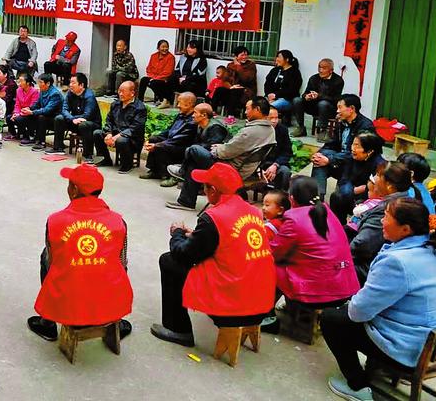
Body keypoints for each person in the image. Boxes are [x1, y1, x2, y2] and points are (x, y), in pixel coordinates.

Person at [321, 197, 436, 401]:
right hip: (424, 342)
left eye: (387, 217)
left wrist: (354, 302)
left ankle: (357, 385)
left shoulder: (397, 262)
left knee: (332, 319)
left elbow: (358, 312)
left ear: (405, 229)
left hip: (405, 346)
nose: (382, 221)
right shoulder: (428, 249)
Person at [150, 163, 275, 347]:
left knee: (169, 261)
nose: (204, 189)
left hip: (235, 306)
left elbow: (184, 255)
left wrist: (177, 233)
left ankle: (178, 329)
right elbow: (226, 241)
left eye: (205, 186)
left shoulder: (214, 217)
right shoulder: (254, 212)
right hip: (262, 304)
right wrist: (194, 235)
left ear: (213, 190)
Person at [28, 163, 133, 342]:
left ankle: (48, 322)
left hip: (70, 302)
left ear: (75, 190)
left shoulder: (55, 221)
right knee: (116, 263)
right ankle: (114, 318)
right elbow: (122, 264)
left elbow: (53, 263)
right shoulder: (118, 222)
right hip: (108, 302)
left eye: (69, 184)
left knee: (46, 255)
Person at [263, 176, 360, 334]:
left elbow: (274, 253)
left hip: (318, 292)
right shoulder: (326, 211)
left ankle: (267, 316)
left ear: (292, 198)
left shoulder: (294, 218)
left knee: (266, 263)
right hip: (343, 287)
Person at [169, 97, 275, 210]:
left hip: (230, 169)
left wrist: (217, 148)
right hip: (244, 168)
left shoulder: (251, 132)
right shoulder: (270, 130)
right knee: (194, 162)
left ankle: (183, 174)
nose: (245, 112)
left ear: (257, 109)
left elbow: (225, 153)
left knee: (194, 149)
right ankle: (186, 200)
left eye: (247, 109)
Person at [350, 162, 413, 283]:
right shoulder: (404, 199)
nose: (374, 178)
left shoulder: (388, 209)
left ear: (389, 186)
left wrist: (340, 255)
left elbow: (362, 244)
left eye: (378, 175)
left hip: (368, 267)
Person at [311, 94, 375, 196]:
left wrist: (330, 159)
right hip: (341, 161)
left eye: (340, 107)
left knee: (339, 196)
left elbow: (356, 154)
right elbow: (332, 144)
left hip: (355, 166)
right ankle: (317, 198)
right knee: (319, 161)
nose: (337, 111)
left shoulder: (366, 127)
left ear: (351, 109)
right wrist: (318, 155)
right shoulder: (342, 123)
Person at [328, 132, 387, 225]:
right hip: (351, 194)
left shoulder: (380, 166)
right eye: (353, 144)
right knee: (337, 197)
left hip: (369, 201)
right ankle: (338, 226)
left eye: (357, 146)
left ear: (370, 151)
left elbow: (377, 189)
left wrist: (360, 190)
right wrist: (351, 191)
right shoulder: (352, 158)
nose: (353, 149)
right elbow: (344, 179)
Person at [141, 92, 197, 186]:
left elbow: (179, 139)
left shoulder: (193, 121)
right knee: (154, 139)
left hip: (181, 146)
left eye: (180, 103)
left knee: (161, 146)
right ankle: (154, 171)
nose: (178, 105)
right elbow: (168, 130)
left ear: (189, 104)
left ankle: (169, 174)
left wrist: (157, 145)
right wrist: (154, 138)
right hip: (172, 140)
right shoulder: (180, 115)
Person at [45, 73, 102, 163]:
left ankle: (88, 155)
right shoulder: (70, 93)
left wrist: (74, 118)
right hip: (75, 121)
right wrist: (72, 119)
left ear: (81, 85)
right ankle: (58, 148)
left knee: (84, 124)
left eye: (73, 83)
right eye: (70, 82)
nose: (70, 85)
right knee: (59, 118)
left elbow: (87, 115)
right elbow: (64, 109)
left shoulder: (89, 97)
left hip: (91, 124)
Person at [93, 81, 147, 174]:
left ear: (132, 93)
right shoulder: (115, 104)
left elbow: (135, 128)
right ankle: (106, 159)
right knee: (97, 133)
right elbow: (109, 120)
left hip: (132, 138)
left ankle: (127, 165)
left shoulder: (140, 108)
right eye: (119, 91)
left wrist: (116, 137)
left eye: (123, 91)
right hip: (115, 133)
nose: (120, 94)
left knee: (122, 140)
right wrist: (109, 133)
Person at [291, 58, 345, 139]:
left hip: (329, 108)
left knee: (323, 104)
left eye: (324, 68)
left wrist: (319, 96)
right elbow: (305, 93)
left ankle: (323, 131)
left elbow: (335, 99)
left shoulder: (338, 80)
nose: (320, 70)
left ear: (331, 70)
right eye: (319, 67)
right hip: (313, 106)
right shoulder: (314, 78)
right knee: (297, 100)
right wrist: (307, 96)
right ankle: (301, 127)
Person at [21, 73, 63, 151]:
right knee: (29, 115)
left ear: (48, 83)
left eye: (41, 82)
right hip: (46, 115)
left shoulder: (55, 94)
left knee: (40, 117)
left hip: (55, 118)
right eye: (38, 82)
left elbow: (47, 109)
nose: (39, 84)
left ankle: (41, 142)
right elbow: (37, 104)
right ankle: (31, 137)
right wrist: (29, 108)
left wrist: (32, 112)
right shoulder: (43, 90)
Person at [263, 49, 302, 118]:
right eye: (277, 57)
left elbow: (292, 89)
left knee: (269, 107)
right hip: (270, 97)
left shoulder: (295, 72)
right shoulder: (275, 70)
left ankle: (268, 122)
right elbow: (267, 84)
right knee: (257, 104)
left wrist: (276, 95)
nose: (277, 59)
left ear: (287, 59)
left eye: (279, 57)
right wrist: (269, 95)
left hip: (286, 99)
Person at [263, 106, 293, 191]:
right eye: (271, 118)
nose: (274, 121)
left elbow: (287, 151)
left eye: (276, 118)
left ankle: (281, 195)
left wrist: (275, 165)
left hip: (277, 162)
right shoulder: (257, 130)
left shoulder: (283, 129)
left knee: (285, 171)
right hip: (259, 164)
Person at [137, 39, 175, 106]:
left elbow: (168, 72)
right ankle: (140, 100)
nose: (165, 49)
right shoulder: (153, 56)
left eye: (166, 47)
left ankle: (162, 99)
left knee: (154, 83)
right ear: (158, 48)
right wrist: (152, 77)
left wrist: (155, 78)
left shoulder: (171, 57)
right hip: (153, 77)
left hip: (164, 78)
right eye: (163, 47)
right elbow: (149, 68)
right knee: (143, 80)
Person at [6, 72, 38, 141]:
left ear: (28, 83)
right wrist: (16, 113)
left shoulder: (34, 91)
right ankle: (14, 134)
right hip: (20, 112)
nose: (19, 83)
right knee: (9, 118)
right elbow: (17, 104)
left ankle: (26, 136)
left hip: (29, 113)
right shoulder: (18, 90)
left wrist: (20, 114)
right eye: (19, 81)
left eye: (21, 81)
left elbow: (32, 106)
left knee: (19, 119)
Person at [225, 46, 257, 116]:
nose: (244, 57)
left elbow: (246, 79)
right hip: (233, 87)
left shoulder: (251, 65)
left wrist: (238, 66)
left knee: (234, 92)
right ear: (236, 56)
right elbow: (226, 79)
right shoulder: (230, 65)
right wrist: (231, 86)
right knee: (219, 90)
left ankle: (230, 116)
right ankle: (212, 112)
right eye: (242, 55)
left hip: (246, 89)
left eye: (246, 55)